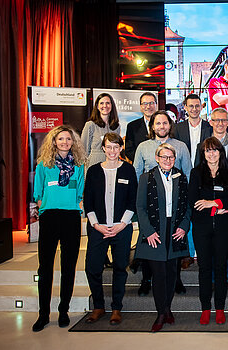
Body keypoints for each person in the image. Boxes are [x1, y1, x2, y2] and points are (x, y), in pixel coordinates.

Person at [32, 125, 86, 332]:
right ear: (53, 141)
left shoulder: (79, 165)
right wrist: (44, 208)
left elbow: (79, 191)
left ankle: (64, 311)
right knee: (45, 268)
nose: (65, 142)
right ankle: (43, 314)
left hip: (71, 217)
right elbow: (38, 193)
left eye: (68, 139)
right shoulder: (43, 164)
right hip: (49, 216)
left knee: (68, 266)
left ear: (73, 142)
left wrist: (74, 205)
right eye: (61, 139)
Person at [133, 110, 192, 297]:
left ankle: (176, 280)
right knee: (151, 248)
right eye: (157, 123)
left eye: (165, 123)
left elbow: (187, 173)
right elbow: (137, 173)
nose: (161, 126)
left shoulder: (181, 146)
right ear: (152, 126)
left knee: (173, 247)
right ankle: (145, 280)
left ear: (170, 125)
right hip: (151, 207)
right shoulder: (143, 146)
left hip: (174, 204)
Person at [134, 143, 191, 332]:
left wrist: (184, 226)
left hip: (175, 230)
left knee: (172, 273)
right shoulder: (146, 177)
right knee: (159, 274)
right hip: (155, 231)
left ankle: (167, 308)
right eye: (164, 157)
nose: (168, 160)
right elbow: (140, 207)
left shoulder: (181, 178)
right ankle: (161, 312)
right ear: (157, 158)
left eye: (171, 157)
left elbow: (187, 206)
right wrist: (148, 231)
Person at [83, 133, 137, 326]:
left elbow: (133, 200)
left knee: (120, 268)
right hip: (98, 228)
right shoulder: (94, 171)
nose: (112, 151)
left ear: (121, 148)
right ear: (103, 148)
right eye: (109, 147)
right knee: (92, 267)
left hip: (122, 228)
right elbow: (88, 201)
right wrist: (96, 225)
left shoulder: (129, 170)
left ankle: (116, 308)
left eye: (116, 147)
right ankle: (98, 306)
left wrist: (121, 224)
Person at [194, 108, 228, 295]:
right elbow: (199, 174)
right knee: (211, 245)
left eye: (224, 120)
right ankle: (214, 279)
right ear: (211, 122)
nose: (220, 123)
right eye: (217, 120)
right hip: (208, 208)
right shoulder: (204, 145)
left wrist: (225, 204)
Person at [189, 137, 228, 325]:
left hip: (223, 228)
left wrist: (213, 203)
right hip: (202, 228)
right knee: (205, 268)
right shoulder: (196, 172)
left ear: (220, 152)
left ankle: (220, 308)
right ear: (203, 153)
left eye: (215, 150)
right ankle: (206, 308)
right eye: (208, 150)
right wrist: (217, 206)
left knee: (221, 268)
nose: (212, 153)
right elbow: (194, 202)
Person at [81, 93, 121, 169]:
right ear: (97, 106)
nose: (105, 106)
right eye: (101, 103)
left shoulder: (116, 126)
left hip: (113, 164)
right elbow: (84, 150)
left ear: (112, 106)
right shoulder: (90, 125)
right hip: (94, 164)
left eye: (108, 103)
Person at [174, 93, 212, 167]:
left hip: (205, 170)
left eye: (197, 106)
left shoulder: (209, 127)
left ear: (201, 107)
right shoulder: (177, 128)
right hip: (183, 170)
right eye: (191, 106)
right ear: (185, 107)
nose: (194, 109)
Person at [125, 92, 158, 162]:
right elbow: (129, 150)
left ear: (156, 105)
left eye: (151, 103)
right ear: (140, 106)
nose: (148, 107)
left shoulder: (164, 125)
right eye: (145, 103)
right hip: (141, 168)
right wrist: (142, 161)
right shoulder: (132, 126)